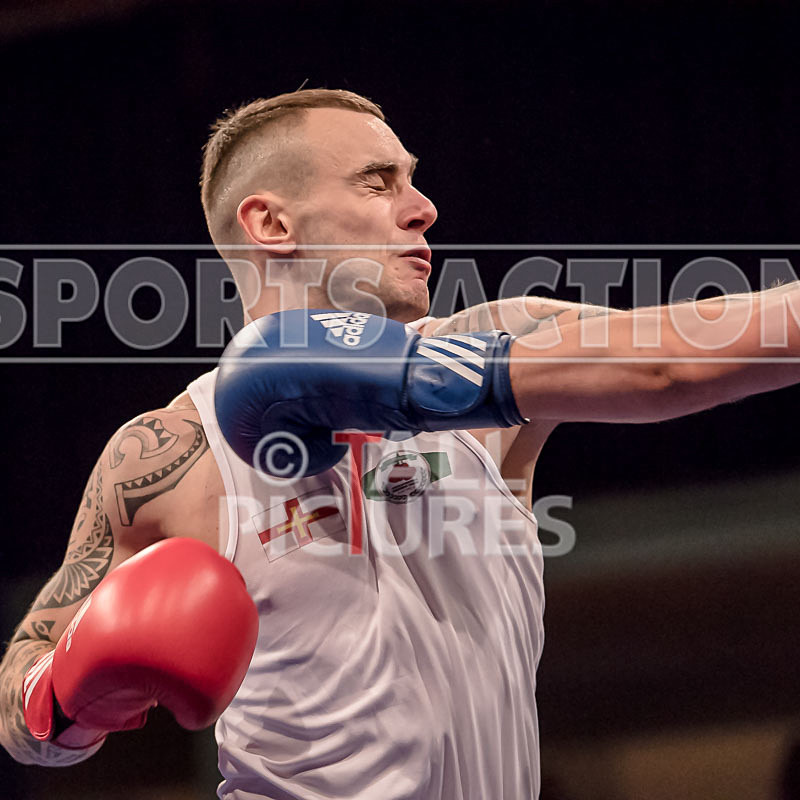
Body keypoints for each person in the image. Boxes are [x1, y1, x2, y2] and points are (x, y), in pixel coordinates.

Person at [1, 88, 799, 799]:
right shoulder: (173, 451)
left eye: (411, 180)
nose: (422, 208)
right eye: (379, 182)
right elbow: (20, 702)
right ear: (271, 223)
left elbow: (680, 357)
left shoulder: (498, 343)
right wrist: (66, 697)